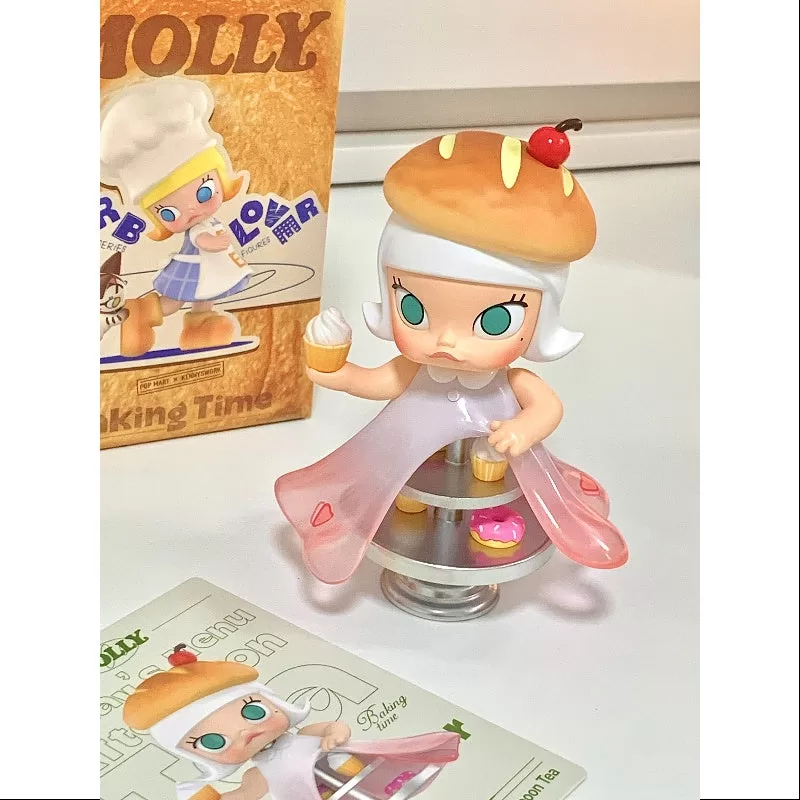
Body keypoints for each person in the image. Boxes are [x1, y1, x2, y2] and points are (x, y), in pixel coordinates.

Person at [275, 126, 629, 583]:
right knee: (394, 492)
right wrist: (336, 372)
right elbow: (377, 381)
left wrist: (523, 429)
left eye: (495, 321)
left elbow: (547, 407)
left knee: (486, 490)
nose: (446, 341)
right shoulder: (415, 371)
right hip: (409, 460)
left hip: (491, 459)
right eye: (414, 309)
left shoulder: (512, 383)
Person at [123, 645, 460, 800]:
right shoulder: (258, 773)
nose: (245, 732)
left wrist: (334, 733)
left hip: (352, 773)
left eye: (253, 712)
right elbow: (246, 793)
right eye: (215, 742)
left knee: (347, 763)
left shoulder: (304, 735)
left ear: (272, 702)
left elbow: (332, 728)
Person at [100, 77, 253, 356]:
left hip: (206, 270)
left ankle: (200, 327)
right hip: (195, 269)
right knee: (174, 301)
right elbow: (200, 238)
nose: (192, 209)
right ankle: (140, 313)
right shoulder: (199, 228)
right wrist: (214, 243)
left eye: (204, 192)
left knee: (204, 300)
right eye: (169, 212)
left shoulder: (207, 220)